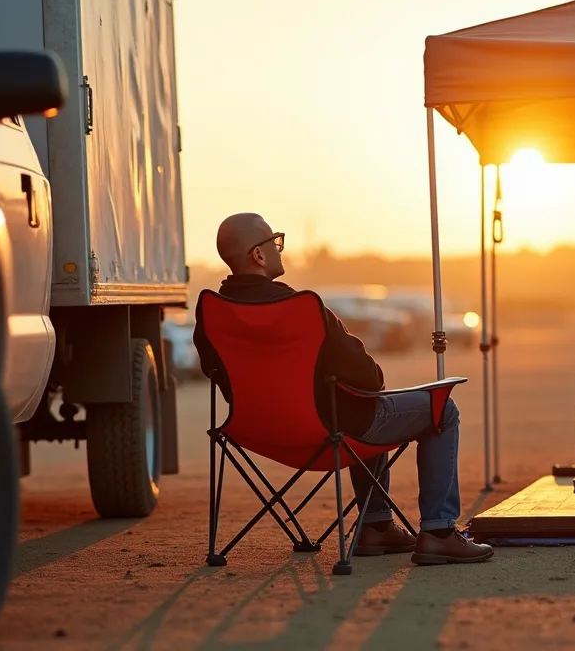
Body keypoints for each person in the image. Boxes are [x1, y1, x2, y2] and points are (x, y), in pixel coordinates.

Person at [193, 212, 493, 565]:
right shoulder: (302, 307)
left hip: (255, 433)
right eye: (275, 242)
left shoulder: (212, 311)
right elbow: (368, 377)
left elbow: (215, 372)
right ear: (258, 255)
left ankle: (377, 527)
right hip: (328, 433)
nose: (279, 249)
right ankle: (439, 532)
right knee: (439, 408)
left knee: (366, 406)